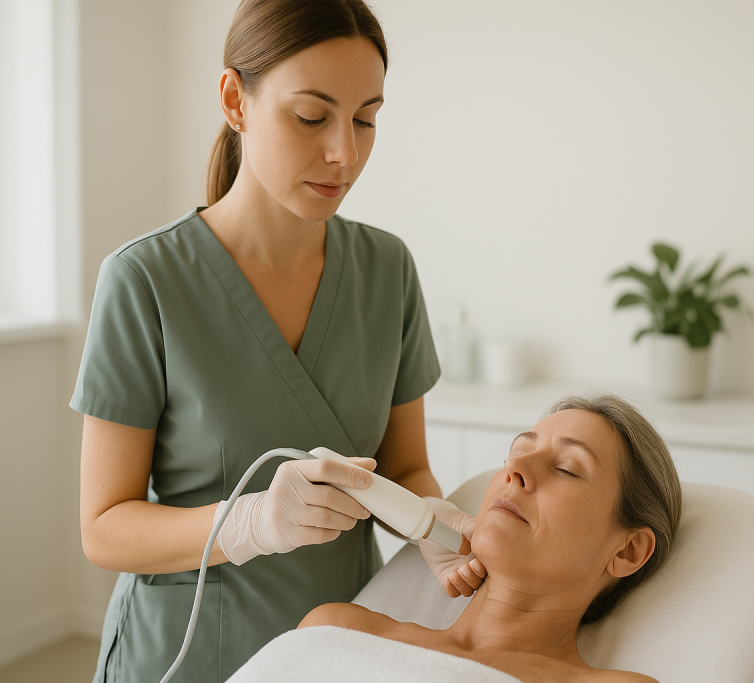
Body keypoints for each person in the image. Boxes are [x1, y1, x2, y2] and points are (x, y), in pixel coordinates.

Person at [71, 2, 472, 681]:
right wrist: (249, 522)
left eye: (366, 117)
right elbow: (104, 527)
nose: (344, 151)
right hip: (185, 653)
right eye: (311, 116)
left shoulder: (387, 270)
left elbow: (405, 468)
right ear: (236, 100)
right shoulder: (145, 279)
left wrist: (430, 528)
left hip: (337, 650)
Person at [298, 394, 684, 682]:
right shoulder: (338, 630)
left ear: (627, 550)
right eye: (516, 452)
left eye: (566, 469)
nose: (515, 468)